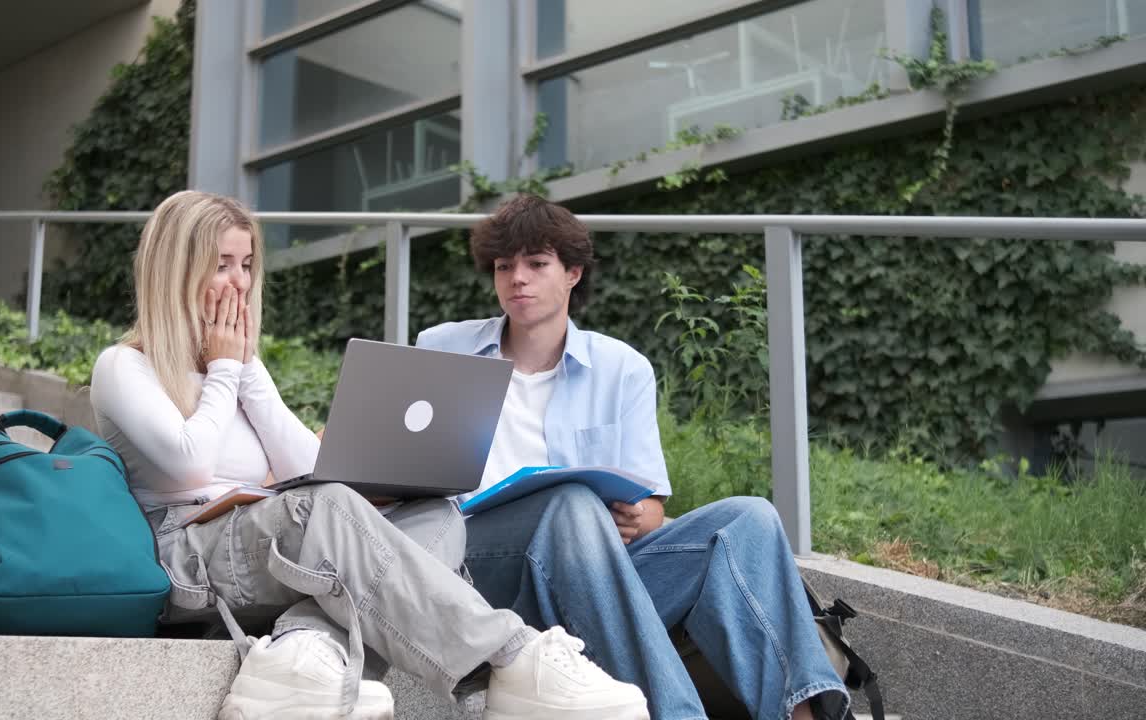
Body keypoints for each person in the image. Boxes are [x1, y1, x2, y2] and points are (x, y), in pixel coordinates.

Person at [90, 190, 649, 720]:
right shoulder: (123, 366)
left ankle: (305, 651)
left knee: (433, 513)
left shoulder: (230, 363)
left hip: (267, 537)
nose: (237, 283)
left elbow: (306, 466)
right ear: (176, 269)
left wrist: (246, 368)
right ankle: (512, 661)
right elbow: (189, 463)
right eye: (220, 265)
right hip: (187, 554)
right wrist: (226, 369)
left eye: (246, 264)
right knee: (325, 506)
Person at [416, 193, 851, 720]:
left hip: (593, 576)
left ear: (573, 273)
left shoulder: (622, 369)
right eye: (505, 266)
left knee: (749, 518)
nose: (518, 279)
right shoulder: (442, 348)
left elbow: (651, 511)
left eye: (537, 263)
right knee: (571, 503)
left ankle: (805, 712)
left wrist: (631, 516)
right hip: (483, 568)